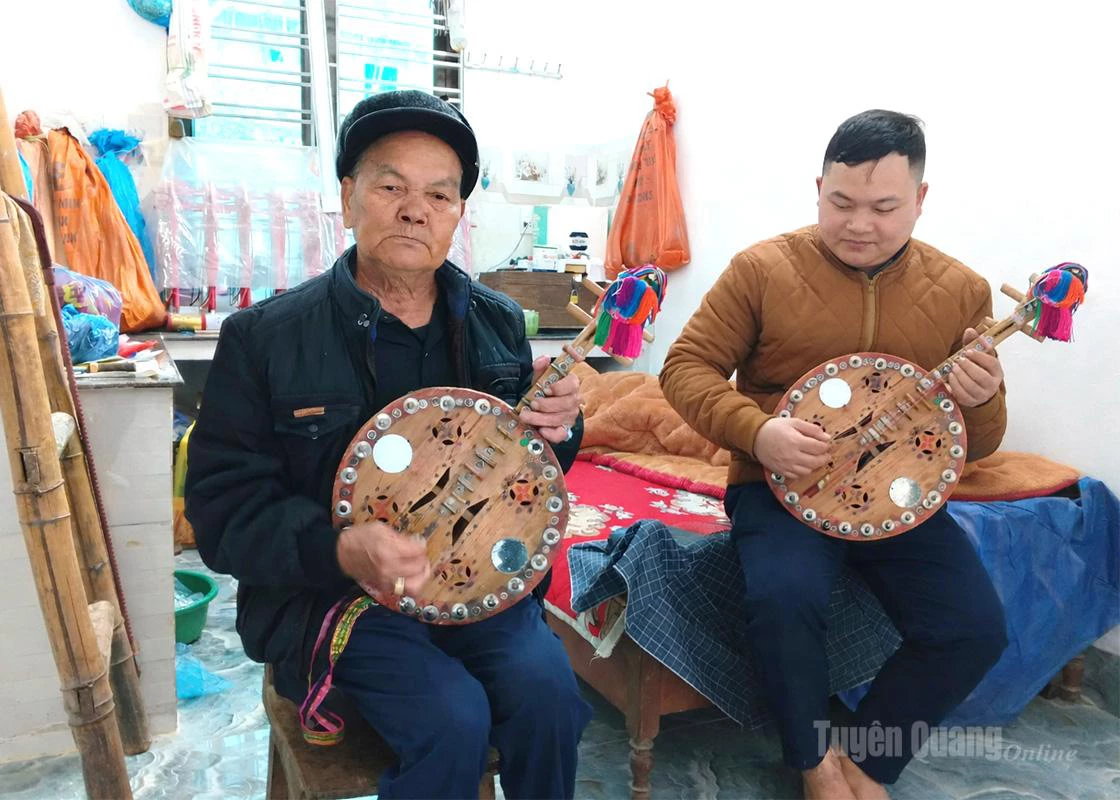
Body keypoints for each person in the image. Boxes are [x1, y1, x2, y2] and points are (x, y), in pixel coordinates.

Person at [186, 90, 593, 799]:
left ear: (458, 214)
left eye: (440, 193)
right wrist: (340, 548)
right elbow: (222, 513)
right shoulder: (265, 339)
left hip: (474, 588)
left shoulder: (497, 322)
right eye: (391, 185)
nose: (416, 209)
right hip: (334, 599)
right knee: (452, 717)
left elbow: (529, 470)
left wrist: (562, 425)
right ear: (348, 197)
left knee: (551, 697)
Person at [659, 110, 1009, 799]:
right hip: (779, 486)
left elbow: (981, 444)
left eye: (885, 207)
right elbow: (686, 366)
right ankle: (812, 760)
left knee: (974, 626)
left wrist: (985, 396)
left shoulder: (963, 290)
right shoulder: (762, 269)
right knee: (785, 597)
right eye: (840, 203)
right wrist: (758, 433)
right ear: (818, 188)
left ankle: (868, 762)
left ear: (921, 199)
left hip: (897, 495)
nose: (860, 224)